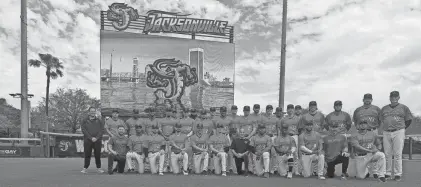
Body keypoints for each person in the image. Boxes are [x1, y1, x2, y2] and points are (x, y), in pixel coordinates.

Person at [380, 91, 413, 181]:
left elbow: (409, 119)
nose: (393, 98)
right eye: (392, 97)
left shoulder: (404, 107)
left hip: (398, 131)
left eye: (395, 97)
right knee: (387, 154)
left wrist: (402, 128)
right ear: (389, 97)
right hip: (386, 132)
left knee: (398, 154)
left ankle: (398, 174)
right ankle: (388, 173)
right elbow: (382, 120)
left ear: (398, 97)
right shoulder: (384, 108)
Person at [80, 107, 105, 174]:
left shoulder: (99, 120)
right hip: (87, 140)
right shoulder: (84, 120)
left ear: (95, 112)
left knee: (98, 155)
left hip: (97, 140)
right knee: (87, 154)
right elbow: (83, 130)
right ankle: (85, 168)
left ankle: (99, 168)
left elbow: (102, 130)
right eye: (91, 111)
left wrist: (96, 138)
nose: (92, 112)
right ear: (89, 112)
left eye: (94, 111)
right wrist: (91, 138)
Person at [278, 104, 301, 175]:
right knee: (286, 152)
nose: (290, 110)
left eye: (291, 108)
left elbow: (300, 129)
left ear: (293, 110)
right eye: (289, 108)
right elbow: (280, 128)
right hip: (286, 137)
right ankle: (287, 169)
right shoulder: (283, 119)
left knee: (295, 153)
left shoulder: (298, 118)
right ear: (287, 110)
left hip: (294, 136)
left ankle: (296, 170)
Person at [261, 105, 279, 174]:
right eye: (268, 109)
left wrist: (278, 137)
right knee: (266, 152)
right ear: (266, 110)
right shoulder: (262, 118)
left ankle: (274, 168)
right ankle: (265, 168)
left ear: (272, 110)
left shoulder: (275, 118)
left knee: (274, 153)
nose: (269, 110)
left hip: (274, 136)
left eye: (270, 109)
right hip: (265, 137)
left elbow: (278, 128)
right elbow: (261, 128)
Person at [238, 105, 256, 174]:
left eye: (248, 110)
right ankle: (245, 168)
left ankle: (252, 169)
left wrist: (249, 136)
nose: (246, 112)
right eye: (245, 110)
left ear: (249, 111)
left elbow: (254, 129)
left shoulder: (252, 118)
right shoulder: (240, 118)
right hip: (242, 137)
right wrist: (240, 136)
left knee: (251, 153)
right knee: (244, 153)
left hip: (250, 137)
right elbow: (238, 128)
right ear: (243, 110)